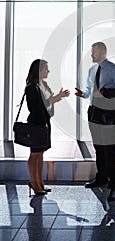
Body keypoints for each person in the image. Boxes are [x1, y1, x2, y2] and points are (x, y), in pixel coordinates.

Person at [75, 42, 115, 201]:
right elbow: (90, 90)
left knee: (109, 149)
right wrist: (83, 94)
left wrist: (105, 94)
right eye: (92, 52)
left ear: (103, 53)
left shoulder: (113, 69)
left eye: (94, 52)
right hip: (94, 112)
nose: (92, 55)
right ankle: (101, 178)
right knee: (98, 147)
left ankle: (114, 185)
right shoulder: (92, 70)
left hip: (108, 113)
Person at [25, 59, 70, 195]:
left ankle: (40, 183)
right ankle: (34, 183)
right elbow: (39, 105)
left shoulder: (42, 84)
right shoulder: (32, 87)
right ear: (38, 71)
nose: (48, 71)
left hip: (44, 122)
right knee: (35, 154)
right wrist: (54, 98)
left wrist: (58, 97)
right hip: (36, 123)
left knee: (40, 153)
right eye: (46, 69)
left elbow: (47, 102)